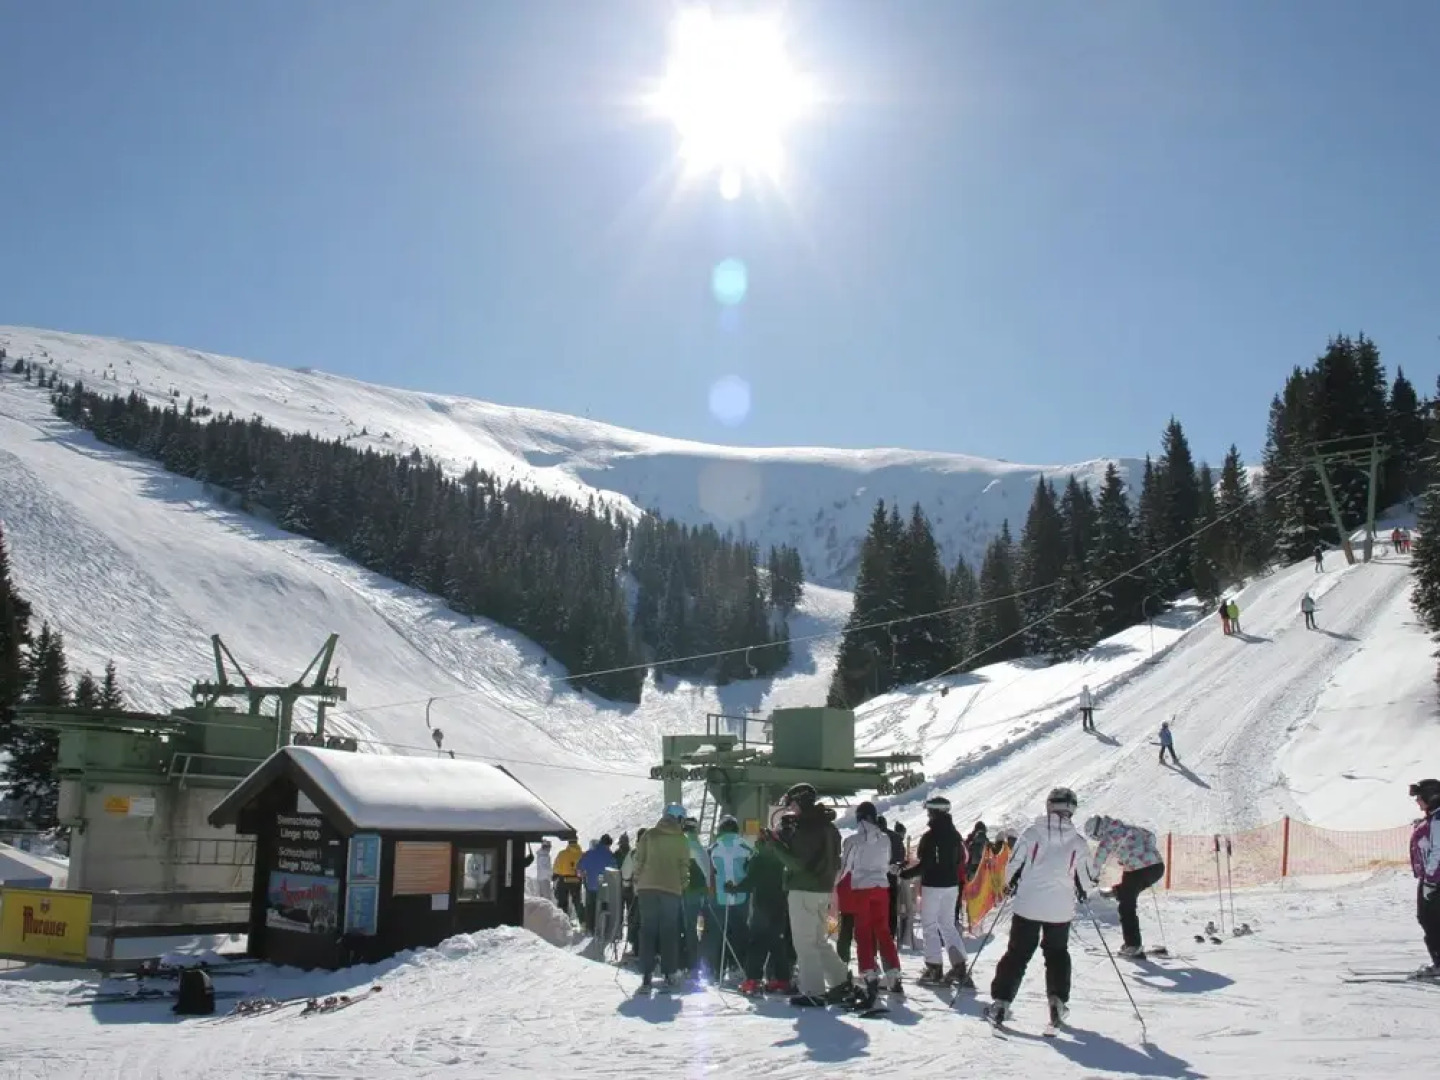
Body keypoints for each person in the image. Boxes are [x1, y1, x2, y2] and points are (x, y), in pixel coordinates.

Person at [984, 787, 1099, 1028]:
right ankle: (1057, 1000)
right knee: (1057, 954)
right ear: (1072, 810)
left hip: (1029, 905)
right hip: (1060, 909)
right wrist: (1082, 887)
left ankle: (1001, 1002)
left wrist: (1010, 885)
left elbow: (1013, 865)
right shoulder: (1078, 842)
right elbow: (1088, 879)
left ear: (1049, 806)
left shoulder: (1031, 833)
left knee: (1017, 953)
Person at [775, 783, 851, 1007]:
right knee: (818, 941)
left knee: (805, 943)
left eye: (792, 804)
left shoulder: (806, 827)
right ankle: (839, 980)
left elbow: (797, 863)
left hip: (803, 889)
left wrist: (774, 844)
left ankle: (813, 991)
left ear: (799, 802)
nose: (792, 810)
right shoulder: (828, 827)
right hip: (823, 889)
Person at [900, 795, 972, 988]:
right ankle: (959, 966)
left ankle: (934, 968)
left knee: (930, 925)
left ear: (933, 812)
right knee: (947, 924)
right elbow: (962, 859)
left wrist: (905, 874)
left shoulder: (930, 836)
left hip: (933, 885)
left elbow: (926, 863)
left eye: (929, 811)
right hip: (951, 885)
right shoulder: (955, 835)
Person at [840, 802, 903, 1007]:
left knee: (863, 932)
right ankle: (893, 973)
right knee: (883, 931)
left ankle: (869, 973)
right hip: (881, 888)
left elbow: (845, 868)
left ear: (859, 818)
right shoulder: (885, 839)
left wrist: (831, 885)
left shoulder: (853, 840)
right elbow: (885, 864)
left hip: (861, 889)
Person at [1084, 814, 1166, 957]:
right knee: (1128, 891)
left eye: (1096, 837)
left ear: (1098, 831)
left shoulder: (1109, 836)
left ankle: (1133, 945)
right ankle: (1118, 891)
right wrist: (1141, 852)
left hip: (1138, 870)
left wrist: (1092, 878)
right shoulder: (1129, 828)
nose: (1098, 840)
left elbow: (1099, 858)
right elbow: (1151, 836)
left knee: (1126, 906)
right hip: (1156, 867)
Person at [632, 804, 692, 993]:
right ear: (679, 819)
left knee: (648, 931)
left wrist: (637, 881)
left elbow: (639, 861)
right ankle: (668, 973)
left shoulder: (649, 835)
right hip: (671, 889)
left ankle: (646, 977)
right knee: (669, 931)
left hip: (647, 888)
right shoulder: (681, 839)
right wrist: (682, 884)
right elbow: (684, 866)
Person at [736, 825, 795, 995]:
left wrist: (733, 888)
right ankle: (782, 979)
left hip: (761, 906)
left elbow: (750, 880)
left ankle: (752, 980)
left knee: (757, 943)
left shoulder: (757, 857)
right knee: (778, 945)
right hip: (780, 905)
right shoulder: (782, 857)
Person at [707, 817, 754, 980]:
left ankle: (717, 968)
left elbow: (710, 873)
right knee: (740, 930)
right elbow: (752, 869)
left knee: (720, 931)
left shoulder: (713, 848)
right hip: (741, 895)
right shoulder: (745, 846)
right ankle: (737, 966)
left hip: (719, 896)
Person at [1409, 779, 1440, 979]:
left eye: (1419, 798)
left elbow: (1438, 852)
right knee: (1429, 919)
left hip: (1435, 881)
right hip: (1431, 879)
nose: (1417, 802)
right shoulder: (1434, 819)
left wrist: (1430, 880)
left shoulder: (1438, 821)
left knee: (1431, 920)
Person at [680, 818, 713, 977]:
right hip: (703, 892)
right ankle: (705, 961)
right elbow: (707, 871)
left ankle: (691, 963)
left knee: (690, 928)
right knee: (706, 927)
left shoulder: (683, 845)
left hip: (688, 892)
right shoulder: (699, 846)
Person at [578, 835, 617, 935]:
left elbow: (580, 868)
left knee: (590, 907)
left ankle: (590, 929)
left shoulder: (589, 853)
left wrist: (583, 874)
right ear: (608, 844)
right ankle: (602, 929)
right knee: (604, 907)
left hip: (591, 886)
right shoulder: (610, 855)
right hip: (605, 887)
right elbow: (615, 870)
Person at [551, 839, 583, 920]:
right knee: (577, 901)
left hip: (564, 879)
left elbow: (556, 867)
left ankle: (563, 920)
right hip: (577, 879)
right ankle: (582, 920)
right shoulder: (581, 854)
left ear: (568, 843)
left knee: (562, 901)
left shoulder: (562, 854)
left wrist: (555, 874)